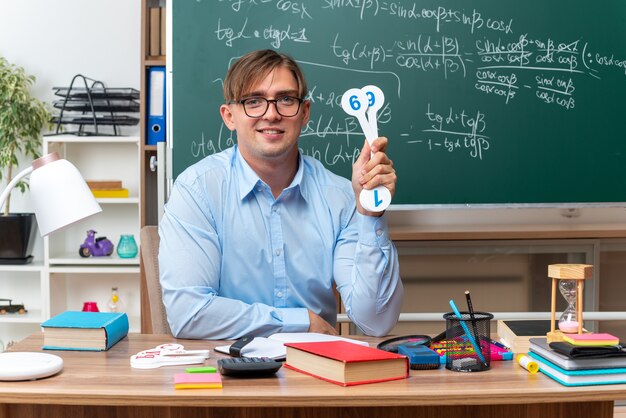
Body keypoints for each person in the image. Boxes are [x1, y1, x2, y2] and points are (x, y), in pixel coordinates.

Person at [159, 49, 403, 339]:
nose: (271, 114)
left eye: (286, 100)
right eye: (254, 101)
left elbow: (376, 322)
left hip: (315, 372)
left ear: (305, 113)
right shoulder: (197, 190)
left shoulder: (341, 197)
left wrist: (371, 215)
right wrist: (302, 322)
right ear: (229, 116)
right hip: (226, 371)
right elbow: (188, 314)